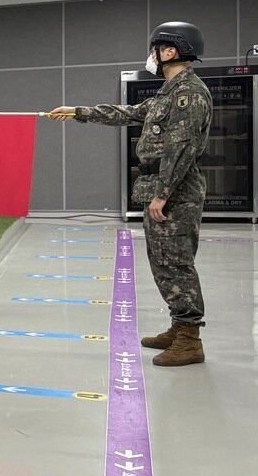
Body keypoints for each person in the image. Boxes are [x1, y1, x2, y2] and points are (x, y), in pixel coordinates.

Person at [49, 21, 212, 366]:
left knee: (177, 263)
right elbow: (127, 113)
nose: (151, 56)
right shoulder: (167, 93)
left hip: (175, 193)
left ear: (170, 51)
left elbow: (180, 149)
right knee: (164, 263)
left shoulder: (188, 94)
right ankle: (179, 325)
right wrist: (78, 111)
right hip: (164, 189)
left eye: (155, 49)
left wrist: (162, 195)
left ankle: (189, 339)